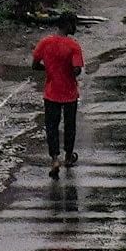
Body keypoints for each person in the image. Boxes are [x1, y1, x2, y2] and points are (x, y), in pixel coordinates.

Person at [34, 12, 83, 170]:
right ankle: (68, 157)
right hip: (69, 93)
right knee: (70, 126)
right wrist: (68, 70)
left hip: (51, 92)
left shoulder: (44, 42)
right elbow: (76, 70)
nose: (75, 27)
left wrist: (50, 69)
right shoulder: (73, 45)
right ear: (67, 25)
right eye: (74, 24)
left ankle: (55, 159)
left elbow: (35, 65)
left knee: (52, 126)